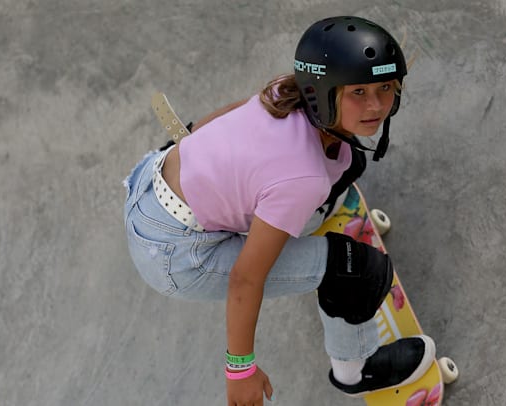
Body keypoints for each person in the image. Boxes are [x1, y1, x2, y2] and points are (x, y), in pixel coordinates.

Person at [123, 16, 435, 405]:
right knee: (358, 271)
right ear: (324, 93)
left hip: (151, 181)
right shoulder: (303, 178)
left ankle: (295, 217)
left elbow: (226, 117)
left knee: (348, 160)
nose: (375, 106)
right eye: (358, 92)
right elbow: (245, 279)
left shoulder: (284, 90)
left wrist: (204, 158)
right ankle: (356, 370)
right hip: (180, 258)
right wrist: (240, 371)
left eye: (385, 88)